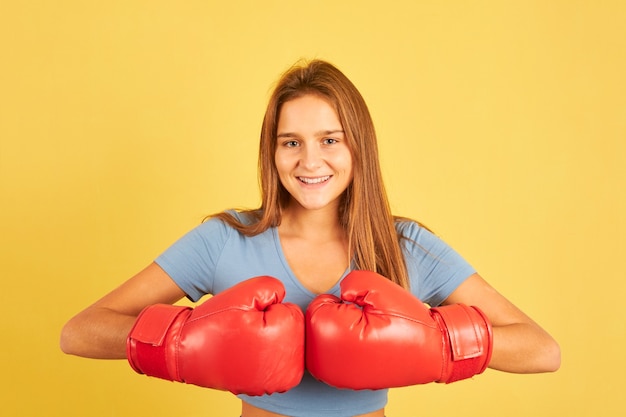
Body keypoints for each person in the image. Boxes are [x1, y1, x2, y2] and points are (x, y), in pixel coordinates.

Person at [60, 59, 561, 417]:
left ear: (357, 145)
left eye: (329, 139)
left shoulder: (404, 245)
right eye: (291, 142)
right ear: (272, 153)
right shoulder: (224, 239)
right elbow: (79, 331)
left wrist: (436, 344)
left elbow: (542, 350)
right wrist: (183, 343)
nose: (309, 161)